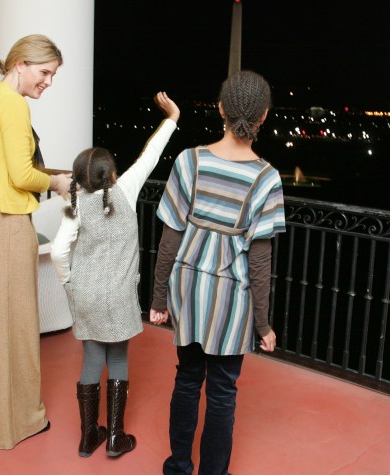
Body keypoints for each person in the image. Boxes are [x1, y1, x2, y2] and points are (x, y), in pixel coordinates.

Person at [149, 71, 286, 475]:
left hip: (188, 289)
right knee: (223, 392)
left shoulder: (188, 161)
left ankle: (177, 467)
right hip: (232, 299)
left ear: (222, 109)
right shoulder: (267, 178)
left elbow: (169, 241)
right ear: (262, 117)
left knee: (187, 380)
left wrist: (159, 299)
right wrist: (263, 324)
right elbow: (260, 262)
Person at [50, 92, 180, 459]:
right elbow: (151, 154)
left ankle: (87, 436)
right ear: (112, 174)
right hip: (120, 296)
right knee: (118, 361)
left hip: (86, 295)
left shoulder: (75, 206)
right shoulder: (126, 189)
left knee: (91, 361)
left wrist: (69, 283)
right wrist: (172, 117)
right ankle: (115, 438)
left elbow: (60, 252)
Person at [0, 34, 72, 450]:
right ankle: (19, 422)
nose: (48, 82)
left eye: (53, 76)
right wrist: (57, 182)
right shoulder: (12, 103)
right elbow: (20, 175)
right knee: (18, 327)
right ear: (22, 64)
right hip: (6, 223)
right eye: (45, 73)